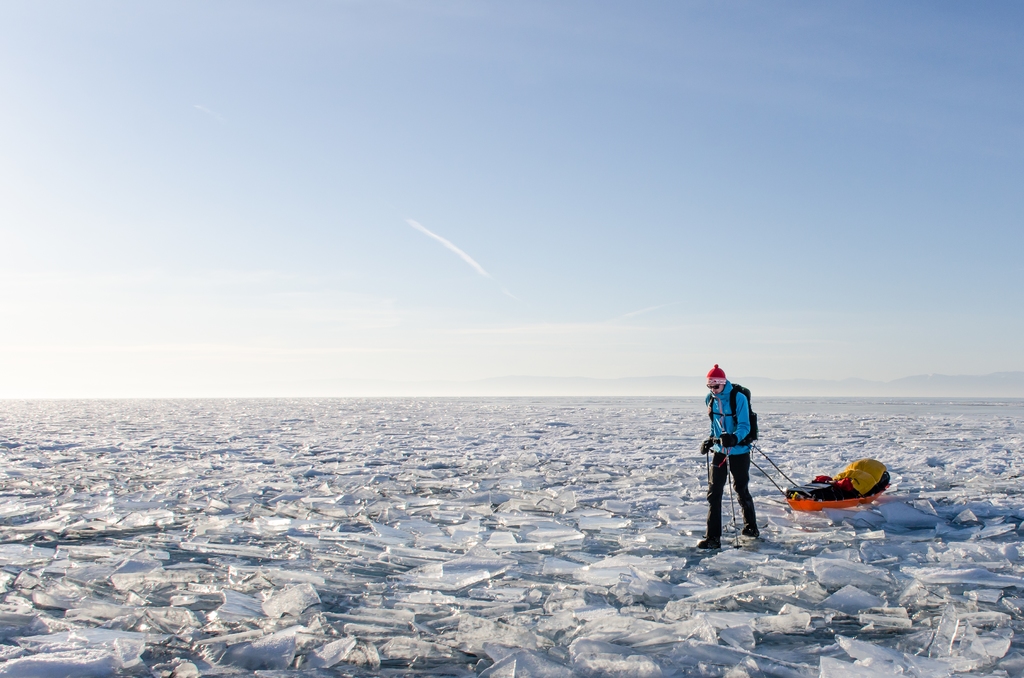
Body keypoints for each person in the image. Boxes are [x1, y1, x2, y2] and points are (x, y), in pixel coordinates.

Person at [698, 364, 758, 549]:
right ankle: (713, 538)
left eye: (716, 386)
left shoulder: (738, 398)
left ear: (723, 383)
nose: (713, 390)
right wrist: (711, 440)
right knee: (714, 493)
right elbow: (714, 424)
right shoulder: (710, 399)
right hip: (720, 451)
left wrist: (734, 438)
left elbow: (744, 425)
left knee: (741, 489)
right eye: (710, 387)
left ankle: (751, 527)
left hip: (739, 451)